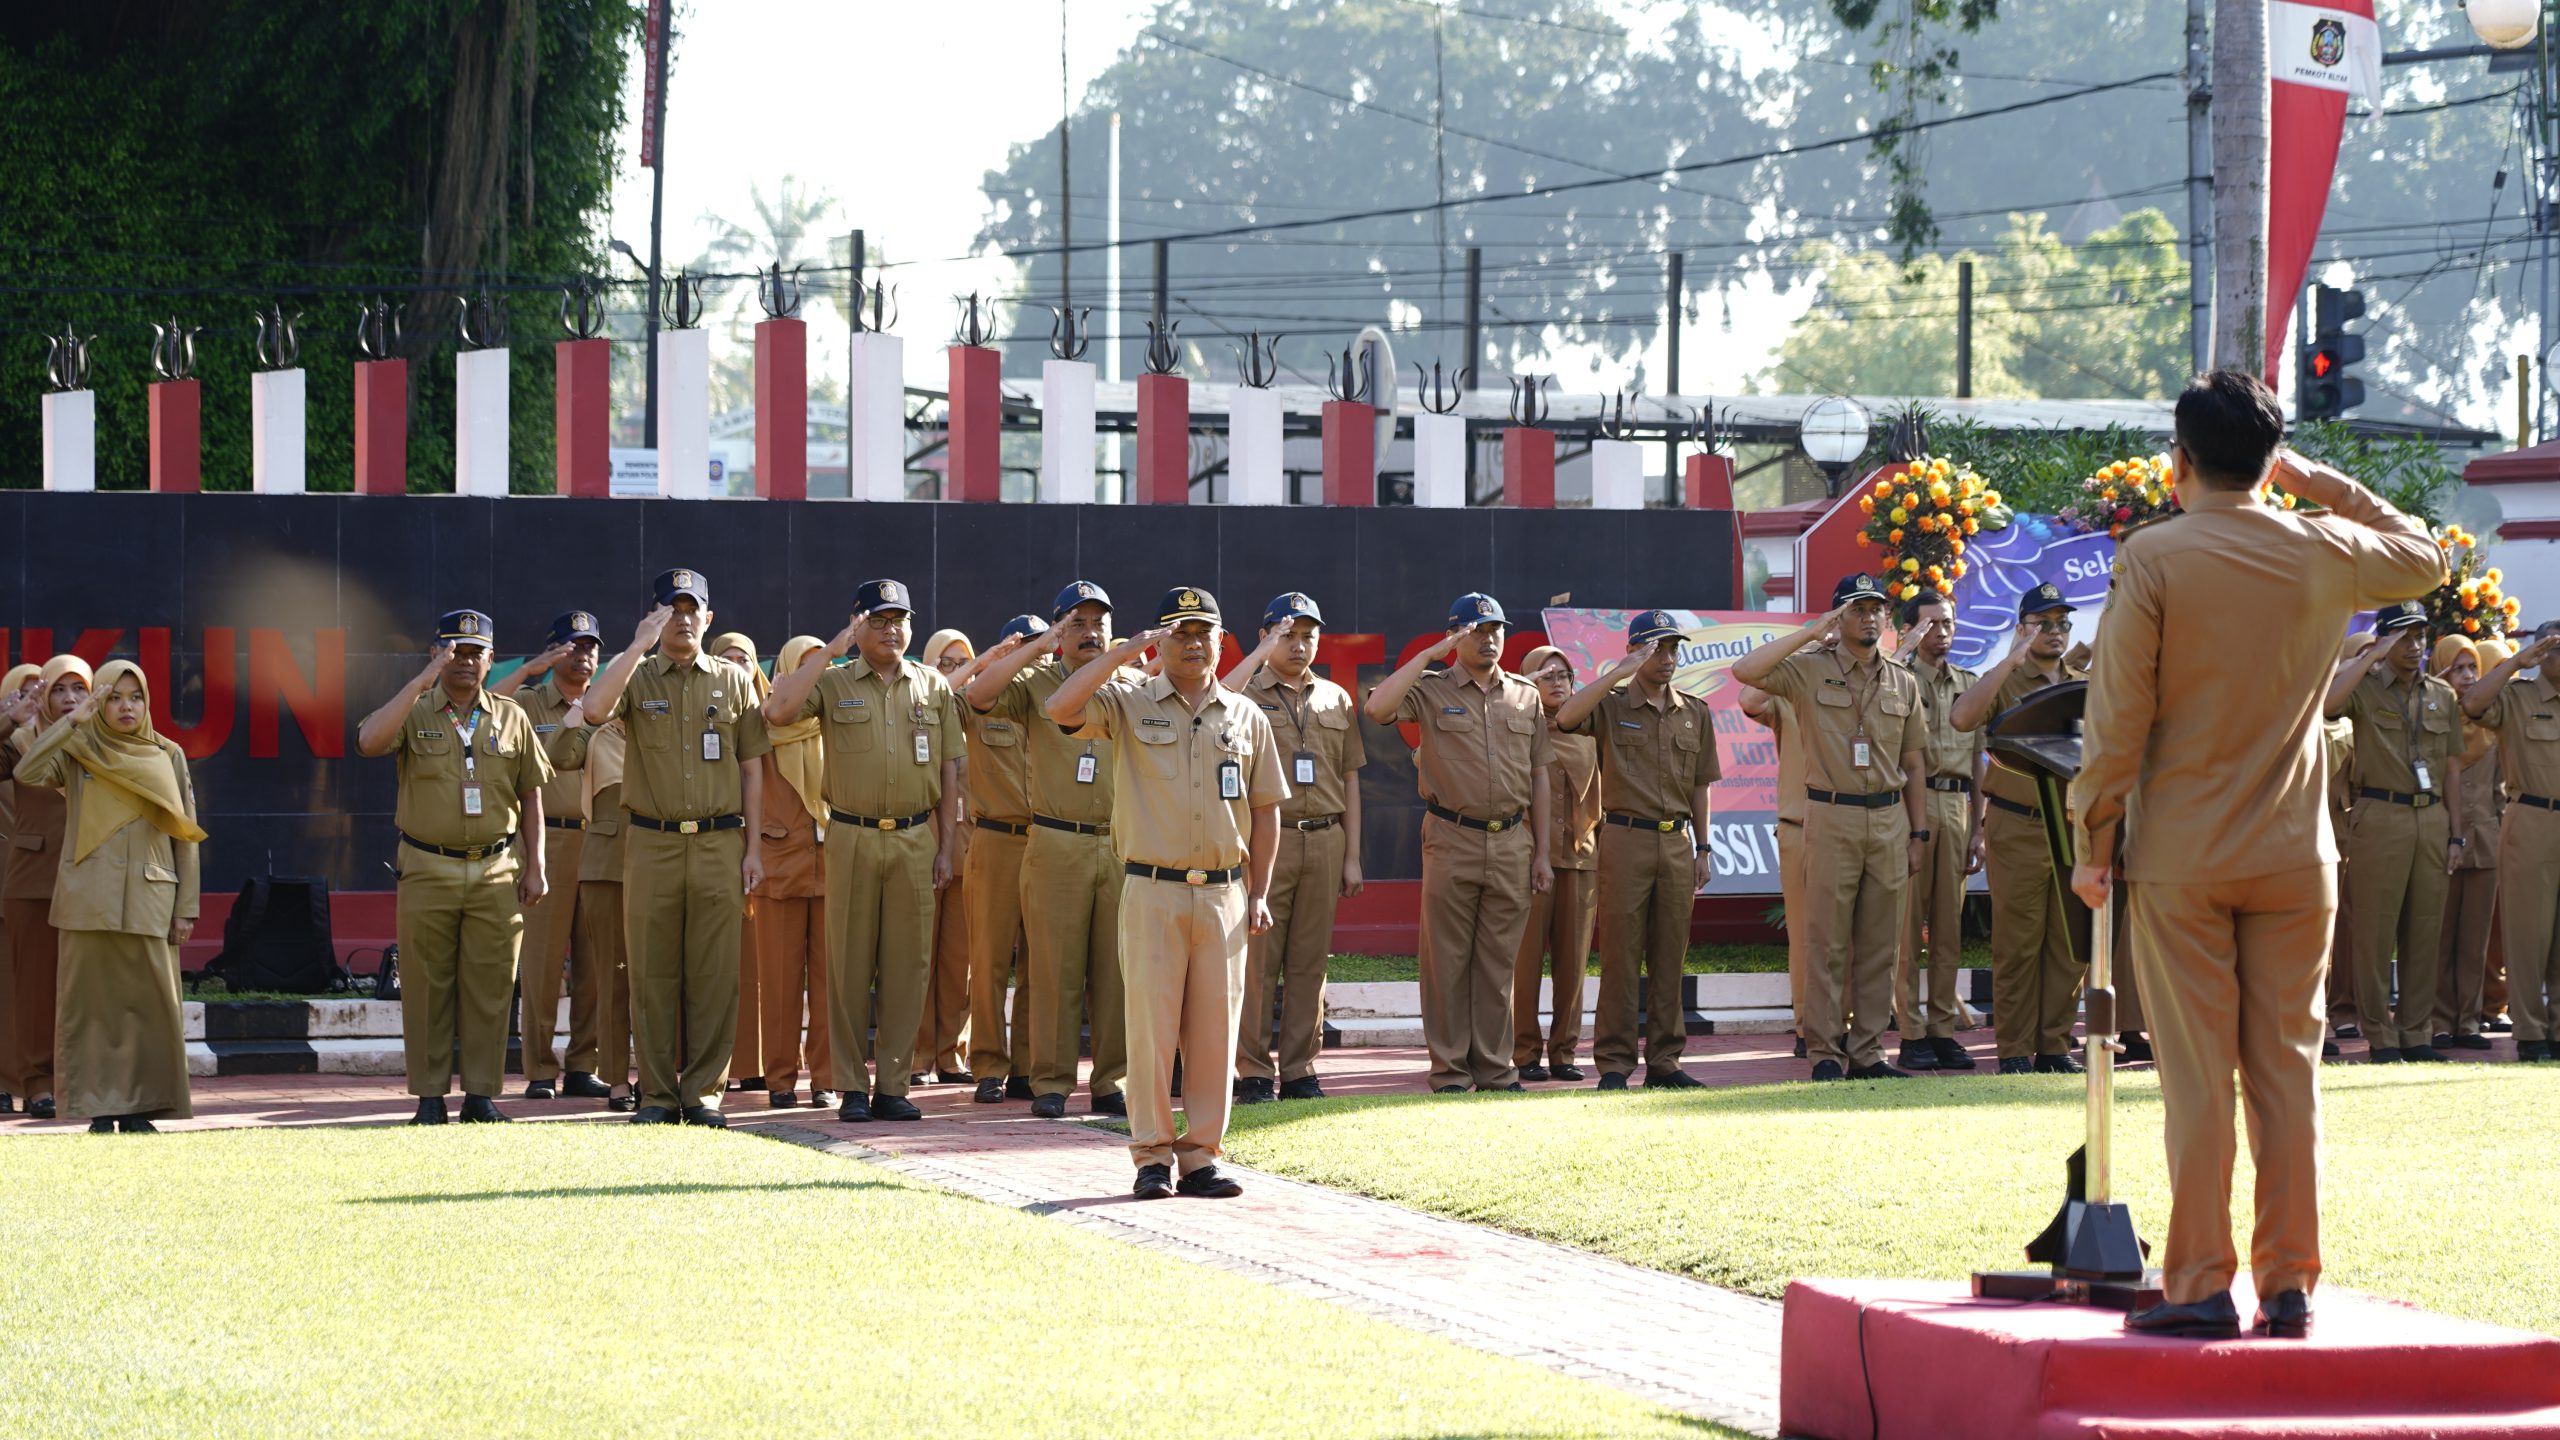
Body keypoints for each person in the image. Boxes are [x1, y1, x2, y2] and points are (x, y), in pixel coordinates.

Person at [2071, 372, 2442, 1341]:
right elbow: (2428, 557)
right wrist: (2318, 486)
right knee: (2288, 1075)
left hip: (2183, 857)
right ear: (2272, 461)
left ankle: (2198, 1282)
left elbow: (2116, 723)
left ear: (2177, 463)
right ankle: (2288, 1288)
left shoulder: (2152, 558)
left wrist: (2091, 842)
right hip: (2294, 855)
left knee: (2199, 1082)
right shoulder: (2321, 550)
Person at [1044, 585, 1283, 1200]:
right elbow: (1060, 707)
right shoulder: (1127, 701)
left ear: (1221, 640)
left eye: (1204, 631)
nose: (1193, 642)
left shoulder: (1245, 715)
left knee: (1213, 1035)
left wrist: (1259, 891)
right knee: (1149, 1031)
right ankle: (1151, 1156)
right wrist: (1123, 654)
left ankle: (1200, 1158)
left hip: (1226, 895)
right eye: (1178, 631)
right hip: (1153, 888)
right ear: (1159, 639)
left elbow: (1265, 810)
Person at [760, 579, 963, 1123]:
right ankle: (851, 1085)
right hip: (850, 834)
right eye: (877, 619)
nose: (890, 629)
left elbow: (949, 768)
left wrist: (947, 846)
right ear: (857, 625)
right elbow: (777, 712)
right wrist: (831, 649)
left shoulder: (933, 687)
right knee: (847, 964)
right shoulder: (832, 681)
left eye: (899, 619)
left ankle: (893, 1084)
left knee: (907, 965)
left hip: (916, 838)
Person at [580, 570, 770, 1127]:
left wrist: (753, 848)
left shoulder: (733, 683)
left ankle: (704, 1093)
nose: (682, 618)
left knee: (716, 973)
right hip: (651, 843)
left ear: (709, 619)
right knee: (651, 972)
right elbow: (593, 711)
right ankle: (659, 1093)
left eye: (692, 609)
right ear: (655, 615)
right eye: (671, 608)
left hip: (717, 841)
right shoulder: (637, 676)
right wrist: (638, 644)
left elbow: (753, 770)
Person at [353, 611, 552, 1125]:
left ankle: (482, 1096)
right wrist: (420, 682)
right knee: (424, 986)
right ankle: (429, 1097)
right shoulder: (415, 709)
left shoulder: (511, 715)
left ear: (491, 659)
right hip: (427, 865)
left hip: (495, 866)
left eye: (475, 652)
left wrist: (537, 867)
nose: (465, 661)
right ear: (435, 654)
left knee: (492, 985)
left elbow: (530, 794)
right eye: (453, 650)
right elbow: (370, 741)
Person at [1732, 573, 1927, 1081]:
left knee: (1881, 943)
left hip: (1888, 817)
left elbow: (1914, 761)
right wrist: (1809, 631)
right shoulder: (1807, 670)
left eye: (1875, 609)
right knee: (1825, 941)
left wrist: (1919, 833)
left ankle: (1867, 1051)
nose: (1869, 617)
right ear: (1839, 617)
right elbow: (1745, 670)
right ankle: (1824, 1051)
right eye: (1857, 609)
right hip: (1829, 813)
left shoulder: (1902, 680)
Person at [1365, 593, 1554, 1094]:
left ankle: (1495, 1069)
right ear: (1455, 637)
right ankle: (1450, 1070)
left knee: (1497, 964)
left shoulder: (1524, 694)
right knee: (1446, 961)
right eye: (1476, 630)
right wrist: (1428, 656)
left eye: (1496, 630)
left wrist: (1543, 852)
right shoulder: (1430, 689)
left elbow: (1540, 775)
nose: (1489, 638)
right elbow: (1379, 707)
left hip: (1513, 838)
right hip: (1452, 835)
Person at [11, 660, 204, 1133]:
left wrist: (187, 908)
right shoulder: (79, 750)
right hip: (86, 899)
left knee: (150, 1009)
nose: (125, 707)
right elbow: (30, 771)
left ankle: (143, 1108)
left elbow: (186, 835)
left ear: (147, 702)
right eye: (113, 697)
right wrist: (73, 722)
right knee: (91, 1011)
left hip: (150, 897)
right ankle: (100, 1106)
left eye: (134, 697)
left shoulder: (168, 753)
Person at [966, 582, 1135, 1119]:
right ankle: (1052, 1082)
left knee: (1116, 972)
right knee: (1052, 970)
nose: (1090, 634)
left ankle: (1112, 1080)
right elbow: (978, 696)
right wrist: (1035, 648)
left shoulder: (1128, 682)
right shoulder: (1036, 680)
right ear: (1059, 631)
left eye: (1098, 623)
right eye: (1077, 624)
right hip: (1055, 838)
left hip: (1117, 842)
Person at [1555, 610, 1719, 1090]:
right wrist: (1621, 671)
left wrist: (1703, 848)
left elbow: (1702, 787)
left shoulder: (1695, 710)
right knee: (1621, 957)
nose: (1667, 658)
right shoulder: (1611, 704)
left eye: (1673, 649)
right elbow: (1565, 718)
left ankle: (1665, 1062)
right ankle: (1614, 1063)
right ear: (1635, 650)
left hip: (1677, 840)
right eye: (1656, 649)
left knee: (1670, 956)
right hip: (1624, 838)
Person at [1225, 592, 1366, 1103]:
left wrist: (1351, 855)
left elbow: (1350, 776)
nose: (1301, 644)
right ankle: (1254, 1070)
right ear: (1267, 636)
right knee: (1258, 961)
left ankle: (1302, 1069)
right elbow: (1214, 701)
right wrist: (1261, 654)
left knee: (1311, 962)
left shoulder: (1336, 697)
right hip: (1267, 839)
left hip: (1325, 838)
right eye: (1289, 634)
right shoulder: (1244, 693)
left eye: (1309, 635)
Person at [1952, 581, 2089, 1075]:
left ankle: (2054, 1046)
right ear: (2023, 629)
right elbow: (1963, 716)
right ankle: (2013, 1050)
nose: (2054, 632)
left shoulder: (2079, 681)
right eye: (2043, 624)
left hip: (2073, 827)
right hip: (2019, 825)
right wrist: (2011, 660)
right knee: (2018, 942)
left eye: (2061, 624)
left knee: (2070, 945)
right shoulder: (2005, 678)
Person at [2324, 599, 2464, 1063]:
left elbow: (2452, 769)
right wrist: (2368, 656)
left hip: (2432, 815)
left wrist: (2456, 834)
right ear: (2385, 640)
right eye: (2403, 636)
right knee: (2374, 932)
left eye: (2420, 635)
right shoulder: (2366, 687)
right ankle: (2380, 1036)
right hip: (2379, 813)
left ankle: (2416, 1033)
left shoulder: (2441, 695)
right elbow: (2328, 703)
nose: (2414, 644)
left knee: (2425, 930)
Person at [491, 611, 613, 1102]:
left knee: (596, 964)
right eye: (572, 646)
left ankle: (585, 1064)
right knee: (540, 965)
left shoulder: (608, 701)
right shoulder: (526, 702)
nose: (583, 655)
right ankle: (540, 1068)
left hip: (599, 840)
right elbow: (481, 708)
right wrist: (530, 669)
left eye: (591, 646)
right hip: (548, 843)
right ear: (552, 651)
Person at [949, 616, 1047, 1104]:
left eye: (1043, 644)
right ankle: (988, 1064)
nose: (1038, 653)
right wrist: (984, 660)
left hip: (1049, 842)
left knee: (1040, 961)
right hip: (995, 839)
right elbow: (933, 704)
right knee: (988, 959)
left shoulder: (1061, 697)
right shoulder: (982, 700)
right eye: (1026, 646)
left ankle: (1027, 1066)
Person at [1894, 591, 1987, 1072]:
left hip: (1956, 806)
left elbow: (1977, 761)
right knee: (1908, 927)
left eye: (1948, 623)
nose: (1942, 632)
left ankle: (1943, 1029)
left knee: (1949, 928)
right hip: (1911, 805)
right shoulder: (1896, 681)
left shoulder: (1969, 685)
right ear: (1911, 630)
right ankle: (1910, 1033)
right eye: (1931, 624)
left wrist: (1979, 827)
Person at [2461, 620, 2560, 1062]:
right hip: (2532, 818)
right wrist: (2516, 662)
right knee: (2527, 934)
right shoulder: (2518, 697)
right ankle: (2532, 1031)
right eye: (2554, 648)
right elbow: (2474, 703)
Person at [2, 654, 92, 1121]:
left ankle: (82, 1082)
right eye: (60, 689)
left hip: (92, 880)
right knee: (35, 990)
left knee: (85, 990)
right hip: (34, 879)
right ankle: (38, 1085)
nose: (70, 698)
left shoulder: (106, 739)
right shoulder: (19, 741)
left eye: (79, 688)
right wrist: (8, 720)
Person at [542, 705, 639, 1109]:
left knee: (660, 982)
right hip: (605, 866)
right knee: (612, 978)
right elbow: (558, 753)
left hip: (663, 860)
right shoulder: (595, 734)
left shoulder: (666, 727)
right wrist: (583, 710)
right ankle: (617, 1080)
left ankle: (657, 1081)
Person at [1511, 644, 1600, 1082]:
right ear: (1526, 681)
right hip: (1528, 860)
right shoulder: (1514, 728)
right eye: (1547, 675)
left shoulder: (1589, 728)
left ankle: (1565, 1052)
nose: (1559, 682)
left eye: (1565, 674)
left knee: (1573, 965)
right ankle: (1524, 1052)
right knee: (1525, 962)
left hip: (1581, 858)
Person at [753, 634, 834, 1109]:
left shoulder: (839, 723)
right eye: (801, 669)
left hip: (833, 866)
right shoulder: (761, 727)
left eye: (819, 667)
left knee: (831, 982)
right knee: (780, 983)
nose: (811, 679)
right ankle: (781, 1081)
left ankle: (825, 1078)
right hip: (778, 867)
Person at [707, 631, 773, 1096]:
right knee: (710, 963)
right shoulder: (705, 718)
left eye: (744, 660)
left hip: (765, 851)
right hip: (714, 842)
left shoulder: (778, 719)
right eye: (726, 659)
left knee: (755, 966)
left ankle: (752, 1063)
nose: (736, 667)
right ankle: (705, 1067)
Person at [912, 627, 977, 1085]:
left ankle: (951, 1051)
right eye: (946, 663)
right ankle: (916, 1055)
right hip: (926, 842)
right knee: (917, 957)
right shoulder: (917, 708)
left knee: (959, 961)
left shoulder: (981, 711)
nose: (955, 671)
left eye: (962, 661)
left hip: (970, 848)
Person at [2432, 635, 2501, 1053]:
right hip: (2441, 839)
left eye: (2471, 668)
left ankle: (2469, 1021)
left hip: (2486, 839)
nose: (2467, 677)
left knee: (2475, 938)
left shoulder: (2494, 724)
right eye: (2457, 668)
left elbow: (2500, 786)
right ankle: (2438, 1020)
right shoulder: (2432, 719)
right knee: (2440, 934)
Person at [0, 661, 44, 1115]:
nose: (33, 702)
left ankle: (41, 1085)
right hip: (5, 879)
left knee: (35, 989)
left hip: (42, 880)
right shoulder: (7, 746)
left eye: (40, 694)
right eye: (23, 694)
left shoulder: (63, 744)